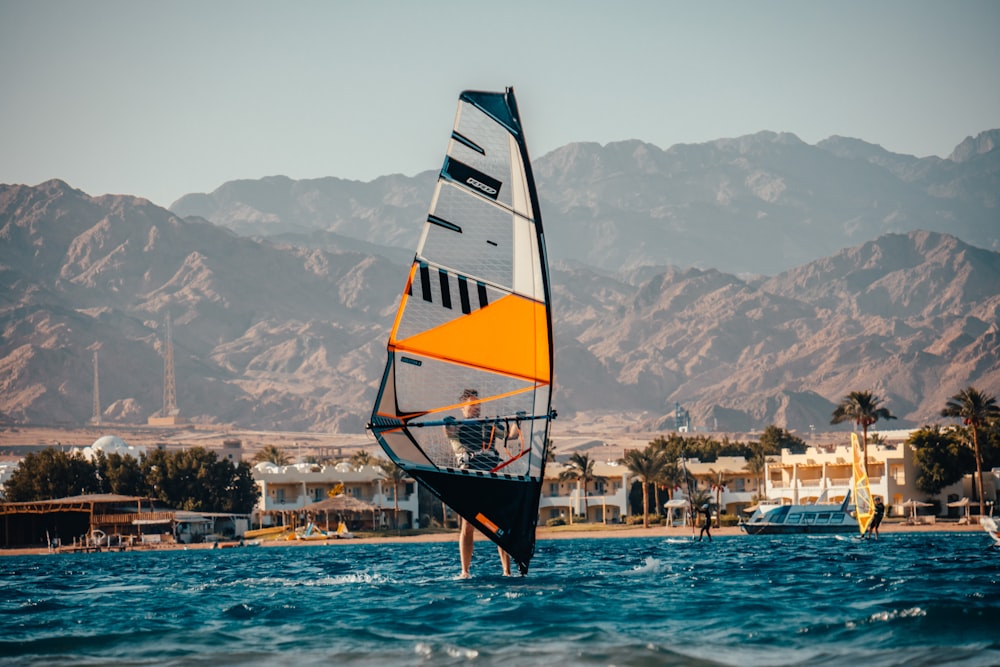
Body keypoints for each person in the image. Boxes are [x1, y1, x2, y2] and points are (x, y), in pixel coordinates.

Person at [444, 388, 520, 578]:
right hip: (468, 479)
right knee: (468, 525)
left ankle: (507, 571)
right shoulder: (457, 426)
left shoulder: (489, 425)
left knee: (498, 524)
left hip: (490, 476)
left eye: (479, 405)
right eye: (472, 405)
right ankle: (465, 571)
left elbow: (512, 436)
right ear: (462, 407)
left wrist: (517, 421)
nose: (477, 408)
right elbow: (449, 433)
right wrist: (448, 423)